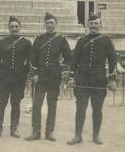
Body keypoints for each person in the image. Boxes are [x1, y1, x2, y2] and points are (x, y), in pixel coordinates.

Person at [68, 13, 117, 145]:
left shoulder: (106, 40)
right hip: (82, 79)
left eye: (96, 23)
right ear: (87, 25)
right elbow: (74, 60)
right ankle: (78, 135)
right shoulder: (81, 40)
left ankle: (96, 135)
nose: (94, 26)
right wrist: (72, 77)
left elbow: (113, 60)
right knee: (80, 108)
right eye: (91, 23)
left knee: (97, 109)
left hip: (99, 79)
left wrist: (112, 79)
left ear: (100, 25)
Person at [25, 12, 72, 142]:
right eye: (47, 23)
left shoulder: (61, 39)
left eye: (52, 23)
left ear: (56, 24)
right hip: (40, 77)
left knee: (52, 105)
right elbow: (32, 58)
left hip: (54, 77)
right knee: (36, 105)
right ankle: (36, 132)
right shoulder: (39, 39)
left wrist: (62, 69)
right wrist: (34, 74)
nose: (49, 25)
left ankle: (49, 132)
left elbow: (68, 58)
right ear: (44, 25)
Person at [0, 16, 32, 139]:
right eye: (12, 26)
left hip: (18, 80)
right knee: (1, 103)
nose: (14, 29)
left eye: (16, 26)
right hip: (4, 79)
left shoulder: (26, 43)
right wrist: (2, 71)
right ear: (8, 28)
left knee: (16, 104)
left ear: (20, 28)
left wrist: (23, 72)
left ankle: (14, 128)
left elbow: (30, 60)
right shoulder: (2, 42)